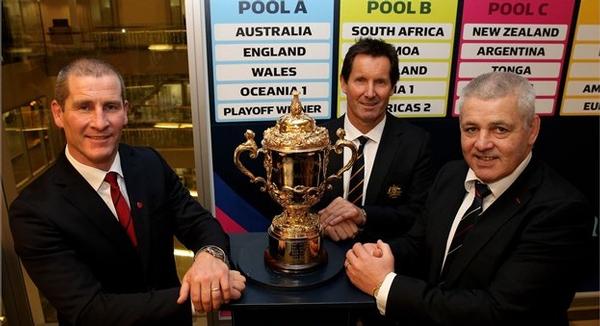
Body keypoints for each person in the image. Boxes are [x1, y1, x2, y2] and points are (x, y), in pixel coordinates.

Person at [8, 58, 246, 325]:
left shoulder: (149, 164)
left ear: (125, 111)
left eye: (110, 107)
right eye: (84, 107)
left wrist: (210, 257)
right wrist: (199, 296)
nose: (100, 122)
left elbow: (199, 222)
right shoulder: (33, 210)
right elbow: (88, 309)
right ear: (58, 113)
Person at [344, 71, 592, 325]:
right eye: (471, 129)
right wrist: (373, 257)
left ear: (532, 130)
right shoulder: (451, 175)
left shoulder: (561, 211)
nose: (482, 144)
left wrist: (385, 286)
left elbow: (497, 312)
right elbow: (419, 244)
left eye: (500, 129)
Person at [318, 38, 435, 242]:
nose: (370, 93)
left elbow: (418, 214)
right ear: (343, 83)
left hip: (384, 260)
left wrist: (363, 215)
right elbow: (295, 205)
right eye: (360, 80)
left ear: (392, 87)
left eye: (380, 82)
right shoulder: (316, 140)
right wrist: (321, 224)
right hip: (322, 258)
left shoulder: (416, 143)